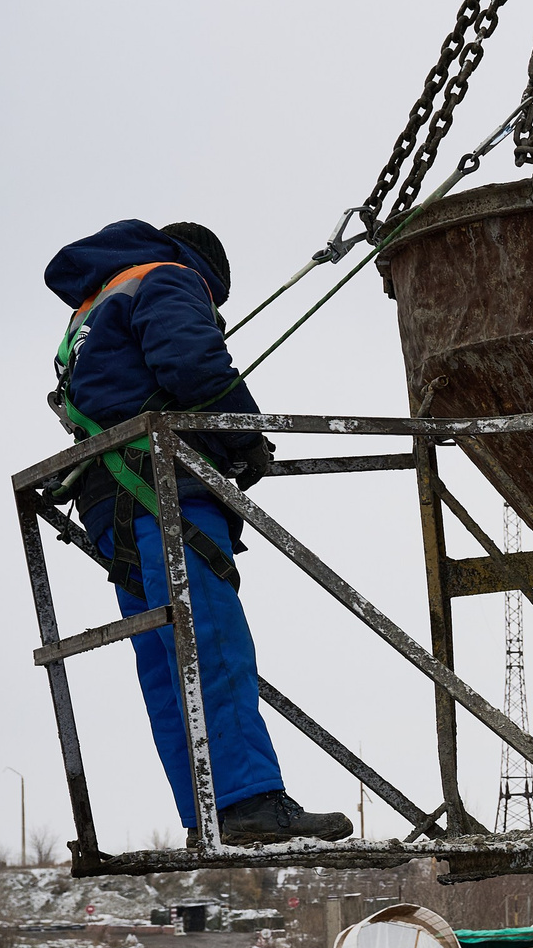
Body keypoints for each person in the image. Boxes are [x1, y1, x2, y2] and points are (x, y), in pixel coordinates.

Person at [42, 220, 350, 847]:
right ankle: (248, 800)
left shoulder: (90, 311)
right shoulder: (170, 277)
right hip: (161, 487)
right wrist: (245, 436)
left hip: (110, 499)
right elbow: (192, 362)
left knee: (166, 662)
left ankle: (206, 813)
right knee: (210, 639)